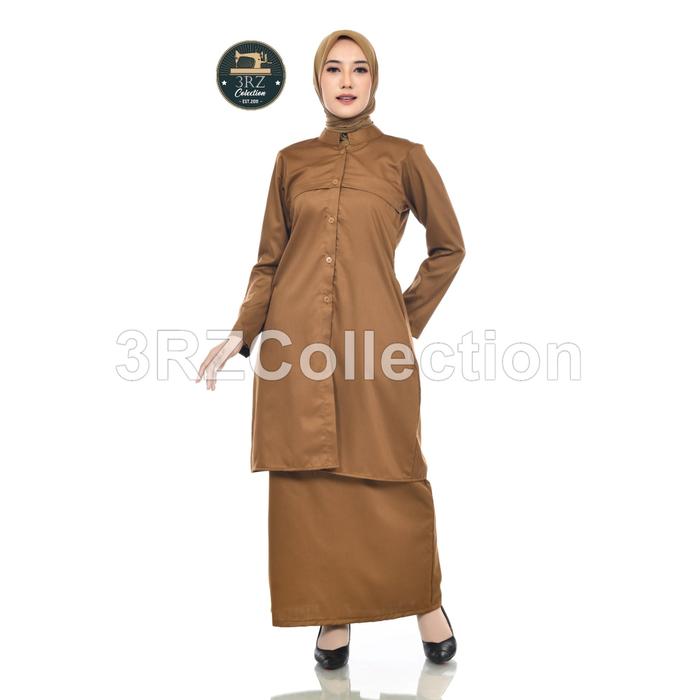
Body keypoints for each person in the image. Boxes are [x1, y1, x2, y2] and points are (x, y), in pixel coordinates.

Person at [197, 29, 465, 668]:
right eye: (334, 69)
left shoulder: (404, 158)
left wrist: (401, 319)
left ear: (375, 81)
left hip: (375, 349)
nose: (347, 81)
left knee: (393, 472)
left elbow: (449, 247)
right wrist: (241, 329)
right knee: (312, 480)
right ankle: (332, 613)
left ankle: (425, 602)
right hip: (293, 347)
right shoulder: (291, 162)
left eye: (360, 69)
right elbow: (269, 261)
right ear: (317, 79)